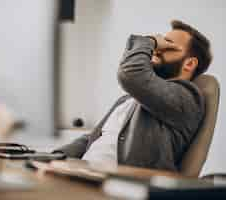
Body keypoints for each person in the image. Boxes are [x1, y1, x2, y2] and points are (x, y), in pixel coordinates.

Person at [54, 20, 212, 171]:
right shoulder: (129, 98)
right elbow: (92, 139)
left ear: (189, 63)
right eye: (159, 43)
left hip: (124, 185)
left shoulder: (187, 98)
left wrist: (149, 40)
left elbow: (131, 74)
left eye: (168, 45)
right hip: (85, 174)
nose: (157, 49)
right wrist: (50, 157)